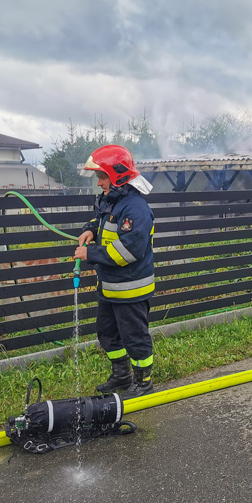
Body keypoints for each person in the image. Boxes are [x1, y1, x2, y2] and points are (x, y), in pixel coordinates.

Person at [75, 145, 157, 398]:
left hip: (131, 289)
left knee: (134, 337)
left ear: (118, 176)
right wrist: (90, 229)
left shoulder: (136, 209)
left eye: (102, 177)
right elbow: (100, 219)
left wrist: (91, 254)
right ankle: (122, 375)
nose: (99, 183)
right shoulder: (111, 200)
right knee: (107, 333)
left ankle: (144, 382)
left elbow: (129, 250)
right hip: (110, 287)